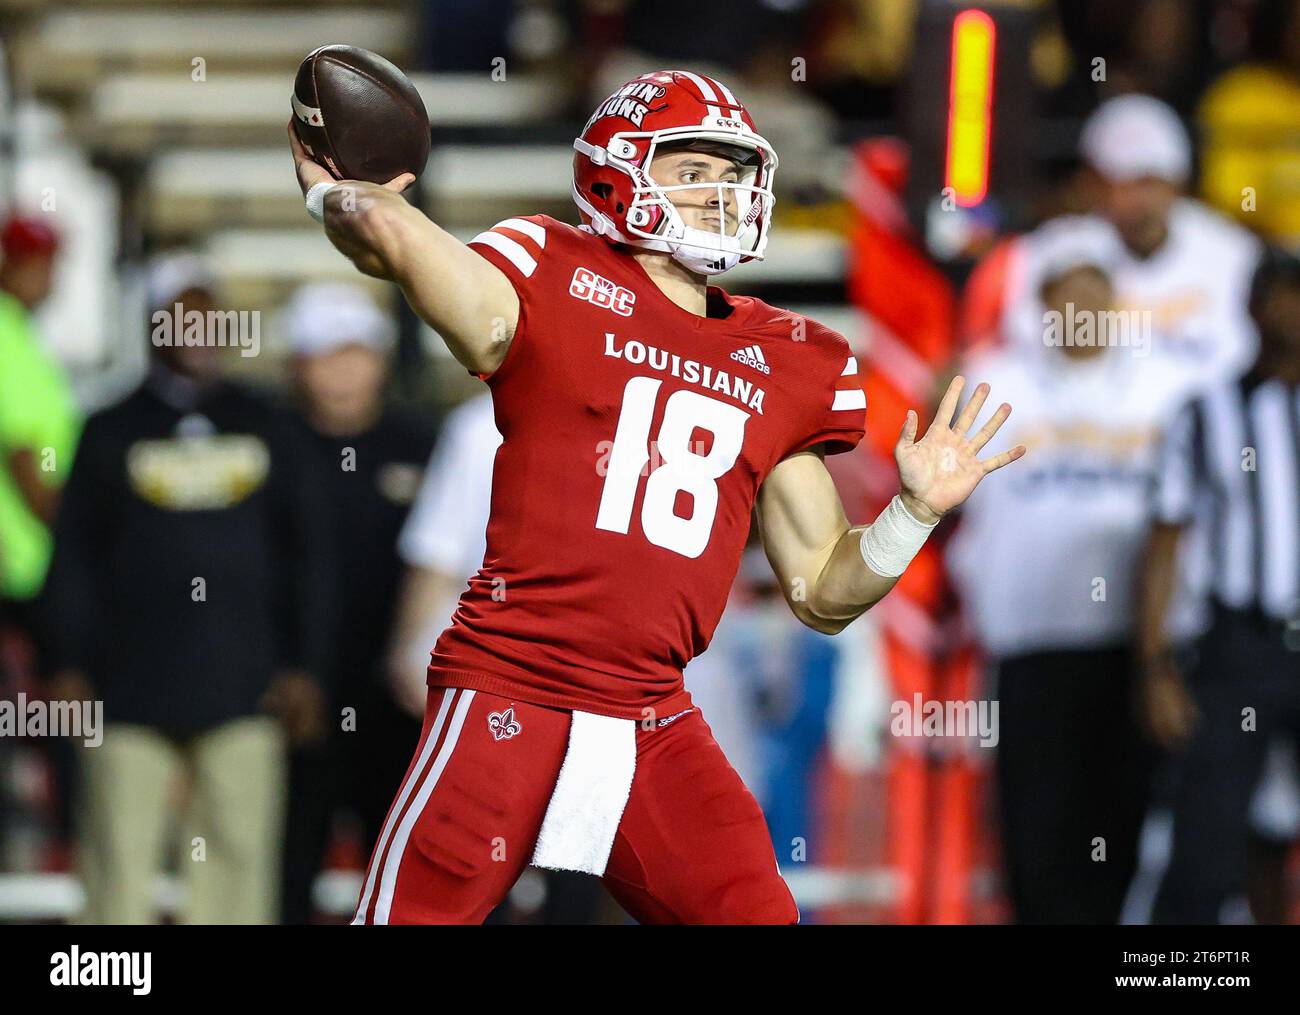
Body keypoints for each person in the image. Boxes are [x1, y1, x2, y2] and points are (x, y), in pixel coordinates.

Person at [290, 69, 1024, 925]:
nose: (723, 191)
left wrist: (913, 513)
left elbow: (823, 590)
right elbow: (407, 254)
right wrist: (353, 202)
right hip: (510, 687)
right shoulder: (549, 269)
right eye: (693, 168)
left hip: (651, 715)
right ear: (615, 174)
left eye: (734, 169)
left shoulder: (784, 357)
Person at [42, 254, 334, 923]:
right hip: (127, 691)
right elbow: (74, 558)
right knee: (118, 864)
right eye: (181, 312)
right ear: (152, 324)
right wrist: (66, 662)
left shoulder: (269, 424)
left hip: (245, 687)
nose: (198, 328)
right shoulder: (109, 428)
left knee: (236, 863)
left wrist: (306, 667)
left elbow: (308, 558)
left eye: (209, 312)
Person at [948, 242, 1195, 923]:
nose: (1081, 309)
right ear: (1041, 305)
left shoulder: (1169, 386)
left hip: (1136, 650)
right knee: (1035, 830)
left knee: (1125, 827)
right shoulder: (990, 379)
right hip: (1031, 644)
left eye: (1094, 293)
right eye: (1065, 294)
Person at [1138, 247, 1300, 923]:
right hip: (1239, 647)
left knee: (1272, 836)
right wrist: (1154, 667)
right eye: (1277, 295)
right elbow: (1163, 545)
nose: (1288, 310)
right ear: (1250, 306)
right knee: (1206, 844)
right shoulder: (1205, 412)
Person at [277, 281, 435, 924]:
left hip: (400, 697)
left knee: (401, 870)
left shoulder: (423, 444)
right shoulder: (270, 448)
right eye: (325, 354)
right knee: (287, 868)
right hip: (296, 697)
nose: (343, 370)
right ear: (298, 365)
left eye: (357, 352)